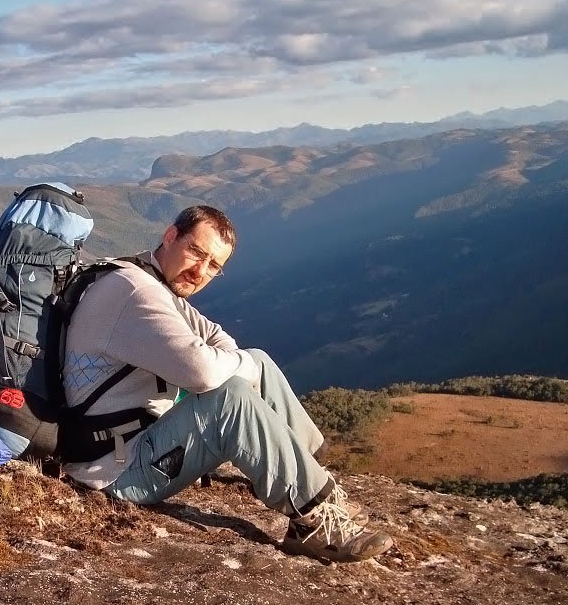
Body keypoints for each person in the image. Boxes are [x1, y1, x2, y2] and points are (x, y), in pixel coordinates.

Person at [61, 205, 393, 563]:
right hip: (113, 470)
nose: (200, 271)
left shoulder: (148, 279)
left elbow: (220, 340)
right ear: (170, 236)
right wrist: (238, 366)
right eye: (197, 252)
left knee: (257, 361)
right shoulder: (134, 291)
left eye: (214, 266)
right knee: (230, 396)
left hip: (135, 442)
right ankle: (311, 521)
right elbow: (202, 372)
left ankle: (316, 485)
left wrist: (242, 363)